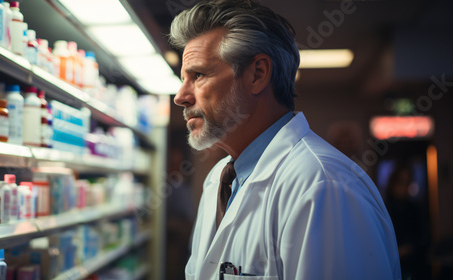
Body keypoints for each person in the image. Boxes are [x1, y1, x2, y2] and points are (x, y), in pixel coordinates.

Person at [169, 0, 401, 279]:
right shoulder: (218, 180)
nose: (180, 97)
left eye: (198, 75)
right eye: (184, 79)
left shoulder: (324, 186)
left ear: (257, 74)